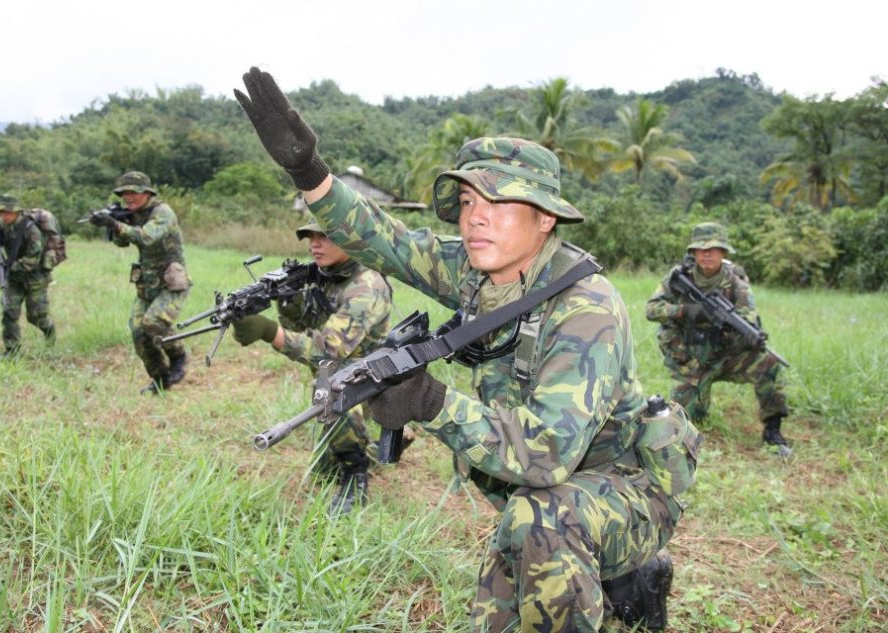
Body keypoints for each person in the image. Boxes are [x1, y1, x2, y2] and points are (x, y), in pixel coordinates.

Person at [234, 67, 698, 633]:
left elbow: (547, 453)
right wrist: (309, 172)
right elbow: (384, 240)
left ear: (545, 217)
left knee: (539, 521)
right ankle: (611, 579)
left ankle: (623, 566)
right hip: (543, 484)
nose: (475, 215)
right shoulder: (477, 271)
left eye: (498, 201)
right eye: (468, 199)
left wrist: (431, 402)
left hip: (626, 486)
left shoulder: (587, 309)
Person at [231, 222, 395, 515]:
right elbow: (304, 328)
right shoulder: (326, 274)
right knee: (323, 468)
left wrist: (268, 331)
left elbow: (327, 350)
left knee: (331, 390)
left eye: (325, 237)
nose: (314, 244)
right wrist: (287, 301)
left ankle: (356, 475)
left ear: (350, 240)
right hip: (344, 365)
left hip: (376, 376)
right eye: (311, 237)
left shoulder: (366, 286)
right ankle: (388, 441)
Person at [645, 221, 792, 457]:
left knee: (769, 363)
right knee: (688, 420)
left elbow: (747, 316)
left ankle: (773, 431)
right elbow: (652, 310)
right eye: (701, 250)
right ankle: (699, 403)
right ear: (693, 252)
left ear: (723, 252)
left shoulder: (736, 280)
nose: (707, 254)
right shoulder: (678, 276)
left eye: (713, 249)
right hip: (691, 361)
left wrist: (737, 332)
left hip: (725, 355)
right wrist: (686, 311)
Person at [89, 171, 191, 394]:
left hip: (171, 281)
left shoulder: (162, 212)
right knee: (138, 331)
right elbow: (122, 243)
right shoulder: (133, 213)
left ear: (147, 193)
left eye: (133, 192)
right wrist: (113, 224)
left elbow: (146, 237)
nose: (128, 197)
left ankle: (179, 357)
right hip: (147, 282)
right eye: (124, 193)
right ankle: (160, 379)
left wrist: (115, 224)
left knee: (154, 322)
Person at [0, 194, 56, 356]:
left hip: (35, 278)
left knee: (36, 317)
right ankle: (12, 350)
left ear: (17, 212)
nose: (5, 215)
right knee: (9, 312)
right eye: (2, 212)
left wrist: (10, 266)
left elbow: (32, 260)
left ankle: (50, 333)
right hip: (14, 279)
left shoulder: (31, 230)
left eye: (9, 212)